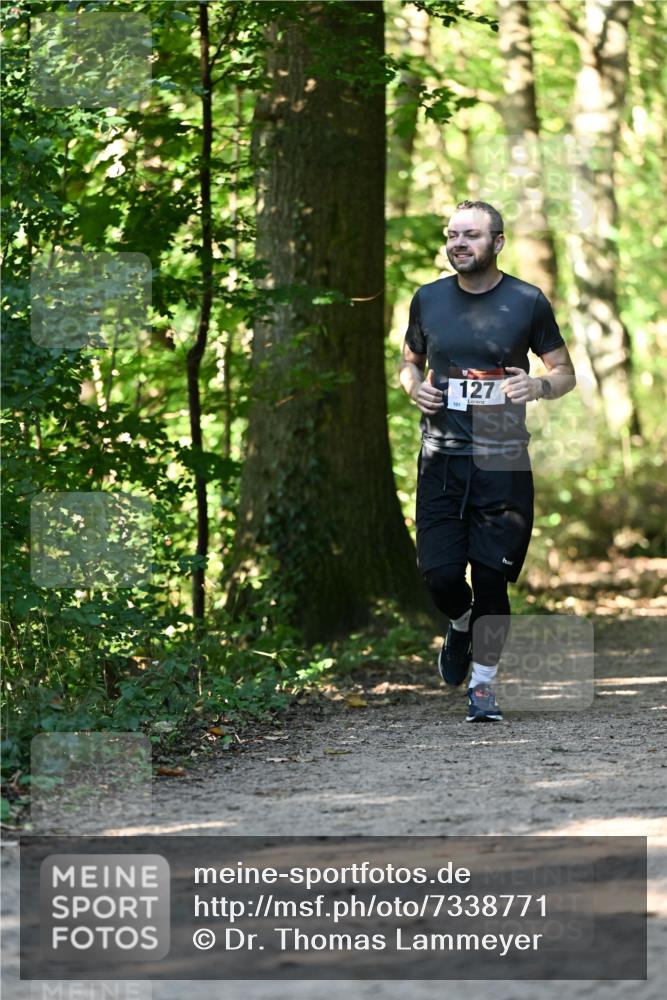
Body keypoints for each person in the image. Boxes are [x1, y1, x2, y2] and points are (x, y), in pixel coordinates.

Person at [399, 200, 576, 722]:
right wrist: (414, 388)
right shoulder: (428, 299)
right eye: (453, 235)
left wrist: (538, 385)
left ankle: (483, 687)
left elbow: (564, 371)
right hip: (441, 452)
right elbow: (409, 362)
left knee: (493, 578)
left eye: (471, 235)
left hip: (501, 450)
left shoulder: (526, 300)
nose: (459, 243)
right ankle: (459, 626)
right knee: (440, 575)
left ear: (497, 242)